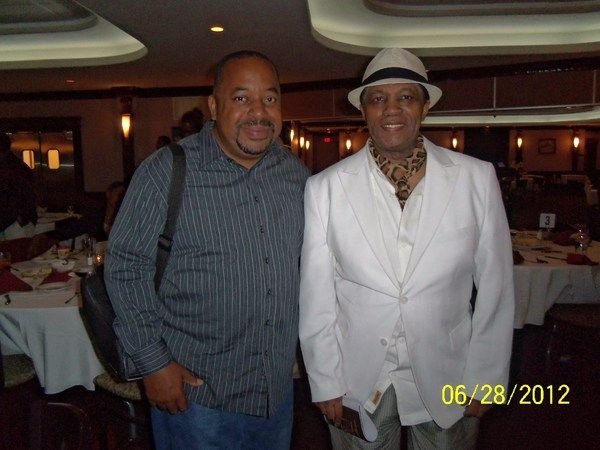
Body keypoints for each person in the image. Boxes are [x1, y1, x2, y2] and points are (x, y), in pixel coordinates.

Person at [299, 48, 514, 449]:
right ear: (364, 110)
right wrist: (325, 380)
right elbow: (316, 296)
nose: (391, 109)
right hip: (357, 376)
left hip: (450, 370)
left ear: (425, 106)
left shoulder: (476, 179)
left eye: (406, 97)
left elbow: (497, 288)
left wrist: (487, 380)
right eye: (378, 98)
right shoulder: (325, 188)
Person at [105, 50, 309, 449]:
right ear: (214, 106)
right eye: (241, 98)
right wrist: (153, 363)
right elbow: (126, 266)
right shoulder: (166, 170)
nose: (258, 112)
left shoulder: (296, 177)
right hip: (197, 397)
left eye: (269, 98)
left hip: (276, 393)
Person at [0, 132, 38, 240]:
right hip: (17, 222)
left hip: (12, 224)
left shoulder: (8, 169)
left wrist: (20, 217)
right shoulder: (18, 165)